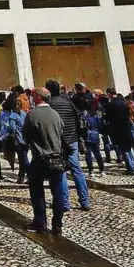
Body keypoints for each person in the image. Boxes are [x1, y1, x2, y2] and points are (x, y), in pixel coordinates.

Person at [22, 87, 68, 235]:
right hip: (57, 158)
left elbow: (26, 136)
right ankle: (57, 224)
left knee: (37, 191)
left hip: (40, 158)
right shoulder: (55, 115)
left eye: (33, 95)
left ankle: (40, 222)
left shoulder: (32, 114)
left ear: (37, 97)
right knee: (58, 191)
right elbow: (62, 134)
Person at [46, 80, 89, 211]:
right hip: (72, 139)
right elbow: (78, 119)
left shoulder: (49, 104)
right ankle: (85, 201)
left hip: (57, 141)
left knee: (61, 171)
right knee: (77, 170)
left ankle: (64, 203)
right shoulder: (68, 101)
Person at [104, 90, 134, 174]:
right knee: (128, 148)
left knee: (123, 149)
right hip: (127, 127)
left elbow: (107, 117)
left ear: (110, 95)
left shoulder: (111, 104)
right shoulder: (125, 102)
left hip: (117, 128)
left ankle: (130, 168)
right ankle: (132, 164)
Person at [0, 96, 28, 184]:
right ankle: (21, 177)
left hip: (18, 141)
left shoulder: (13, 116)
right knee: (23, 159)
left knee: (24, 160)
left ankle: (31, 175)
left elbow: (12, 129)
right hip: (26, 140)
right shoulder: (24, 114)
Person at [83, 105, 105, 175]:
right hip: (95, 136)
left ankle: (91, 170)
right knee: (97, 153)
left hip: (88, 137)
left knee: (88, 155)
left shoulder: (86, 117)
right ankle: (102, 170)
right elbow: (100, 127)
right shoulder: (97, 118)